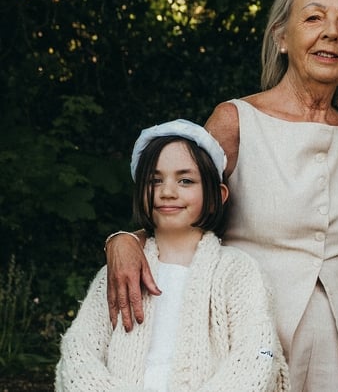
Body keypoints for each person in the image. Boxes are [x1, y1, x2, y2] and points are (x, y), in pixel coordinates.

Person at [104, 0, 338, 392]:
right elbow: (179, 206)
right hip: (247, 336)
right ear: (281, 37)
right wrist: (125, 239)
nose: (331, 32)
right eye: (313, 17)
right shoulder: (236, 121)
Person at [56, 119, 288, 391]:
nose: (167, 192)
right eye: (155, 180)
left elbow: (259, 353)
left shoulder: (238, 271)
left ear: (217, 196)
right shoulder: (120, 272)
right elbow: (78, 351)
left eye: (185, 180)